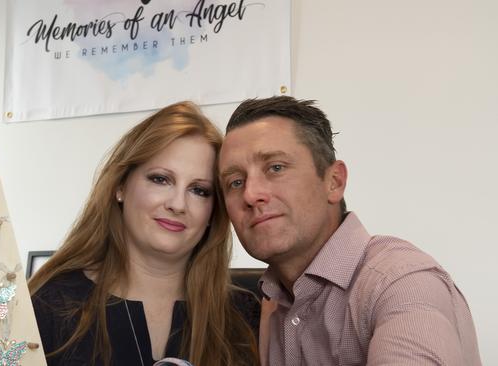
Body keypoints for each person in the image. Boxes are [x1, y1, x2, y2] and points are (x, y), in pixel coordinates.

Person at [218, 96, 482, 365]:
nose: (250, 194)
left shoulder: (402, 283)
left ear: (334, 182)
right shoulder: (271, 302)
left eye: (276, 167)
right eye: (235, 182)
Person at [29, 101, 260, 366]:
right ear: (120, 186)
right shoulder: (48, 304)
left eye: (199, 190)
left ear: (213, 211)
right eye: (161, 179)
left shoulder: (244, 315)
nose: (178, 204)